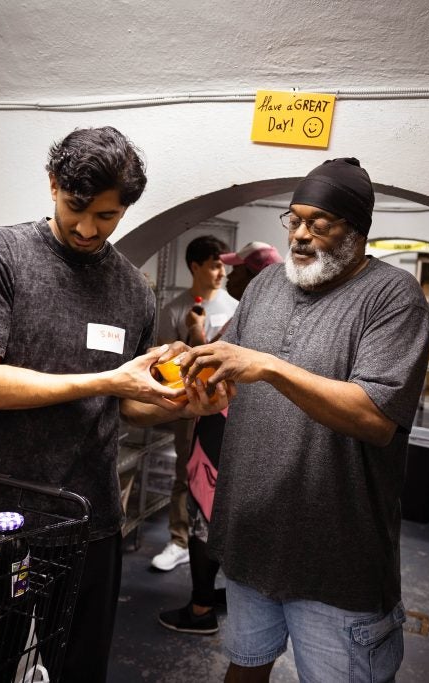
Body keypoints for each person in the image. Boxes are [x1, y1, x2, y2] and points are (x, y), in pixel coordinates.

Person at [0, 126, 230, 683]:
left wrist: (182, 403)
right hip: (1, 514)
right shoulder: (3, 256)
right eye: (76, 208)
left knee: (80, 670)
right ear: (52, 184)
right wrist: (104, 381)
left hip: (88, 517)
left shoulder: (131, 289)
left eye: (108, 216)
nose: (89, 228)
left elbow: (130, 404)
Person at [181, 158, 429, 683]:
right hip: (252, 540)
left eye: (319, 223)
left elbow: (376, 416)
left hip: (336, 559)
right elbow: (227, 365)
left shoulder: (392, 297)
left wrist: (270, 367)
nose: (300, 234)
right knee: (245, 667)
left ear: (357, 230)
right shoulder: (269, 285)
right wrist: (193, 374)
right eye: (293, 220)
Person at [157, 241, 283, 635]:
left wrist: (195, 337)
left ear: (255, 276)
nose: (229, 275)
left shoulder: (250, 315)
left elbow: (209, 373)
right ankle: (224, 594)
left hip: (221, 431)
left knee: (203, 517)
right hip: (246, 433)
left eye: (238, 269)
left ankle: (200, 609)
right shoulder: (277, 315)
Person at [150, 235, 239, 572]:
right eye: (215, 265)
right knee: (186, 472)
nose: (222, 272)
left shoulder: (236, 309)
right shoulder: (174, 309)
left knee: (224, 478)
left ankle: (215, 546)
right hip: (189, 407)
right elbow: (160, 364)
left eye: (225, 266)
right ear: (195, 266)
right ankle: (179, 540)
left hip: (229, 410)